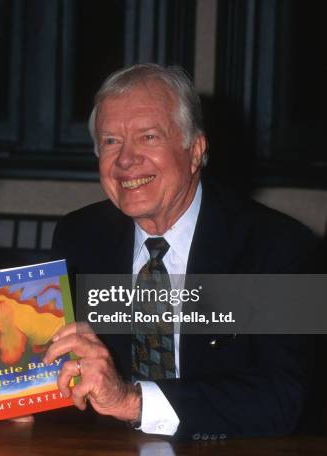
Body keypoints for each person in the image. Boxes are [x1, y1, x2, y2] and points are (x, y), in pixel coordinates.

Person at [44, 63, 319, 440]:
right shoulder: (78, 236)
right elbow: (59, 369)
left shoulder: (279, 246)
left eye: (149, 137)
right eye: (110, 141)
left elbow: (284, 400)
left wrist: (133, 401)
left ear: (195, 151)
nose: (125, 160)